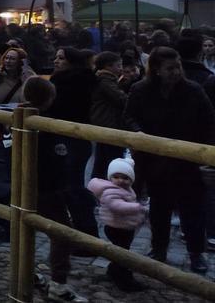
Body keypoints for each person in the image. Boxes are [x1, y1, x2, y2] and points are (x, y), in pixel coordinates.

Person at [125, 46, 215, 273]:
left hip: (187, 159)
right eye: (170, 68)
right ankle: (159, 248)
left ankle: (196, 253)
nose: (176, 72)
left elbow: (209, 120)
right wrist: (139, 133)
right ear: (156, 69)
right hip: (154, 160)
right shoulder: (140, 90)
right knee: (159, 207)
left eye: (178, 67)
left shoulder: (193, 90)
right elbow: (129, 116)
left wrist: (203, 152)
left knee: (192, 209)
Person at [24, 77, 89, 303]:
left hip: (22, 185)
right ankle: (59, 285)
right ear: (50, 98)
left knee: (25, 228)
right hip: (47, 189)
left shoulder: (16, 116)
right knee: (62, 233)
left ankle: (26, 273)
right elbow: (58, 160)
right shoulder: (48, 126)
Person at [47, 47, 100, 240]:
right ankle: (81, 232)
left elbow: (59, 108)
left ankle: (84, 233)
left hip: (69, 137)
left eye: (60, 58)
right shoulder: (84, 80)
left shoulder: (67, 83)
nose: (56, 61)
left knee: (72, 186)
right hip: (73, 138)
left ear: (71, 61)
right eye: (56, 57)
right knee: (71, 185)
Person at [87, 158, 148, 292]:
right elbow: (117, 206)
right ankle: (123, 279)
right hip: (115, 228)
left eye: (125, 178)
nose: (120, 180)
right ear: (110, 178)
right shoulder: (110, 191)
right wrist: (137, 207)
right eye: (116, 177)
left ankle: (113, 271)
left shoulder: (127, 189)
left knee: (121, 252)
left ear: (131, 179)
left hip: (124, 227)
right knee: (122, 255)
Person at [89, 51, 129, 178]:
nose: (121, 69)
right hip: (109, 124)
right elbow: (121, 99)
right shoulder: (106, 81)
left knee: (102, 159)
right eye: (118, 65)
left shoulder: (106, 80)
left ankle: (97, 185)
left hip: (104, 123)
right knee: (112, 158)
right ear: (108, 67)